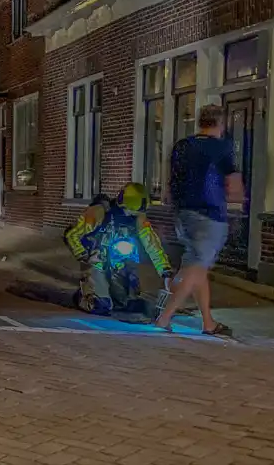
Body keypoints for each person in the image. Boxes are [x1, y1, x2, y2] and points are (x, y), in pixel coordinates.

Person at [154, 104, 242, 336]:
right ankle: (164, 318)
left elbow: (171, 182)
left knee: (197, 265)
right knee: (196, 267)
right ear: (221, 124)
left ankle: (208, 323)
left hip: (183, 214)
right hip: (209, 215)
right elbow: (233, 185)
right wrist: (238, 201)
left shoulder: (182, 146)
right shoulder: (222, 147)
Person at [63, 183, 173, 316]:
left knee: (128, 303)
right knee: (101, 305)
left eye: (136, 213)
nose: (131, 216)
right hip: (97, 262)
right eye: (130, 212)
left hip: (121, 262)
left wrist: (165, 270)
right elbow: (71, 234)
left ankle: (122, 297)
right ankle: (84, 296)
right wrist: (84, 255)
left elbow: (152, 243)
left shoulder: (138, 218)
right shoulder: (99, 213)